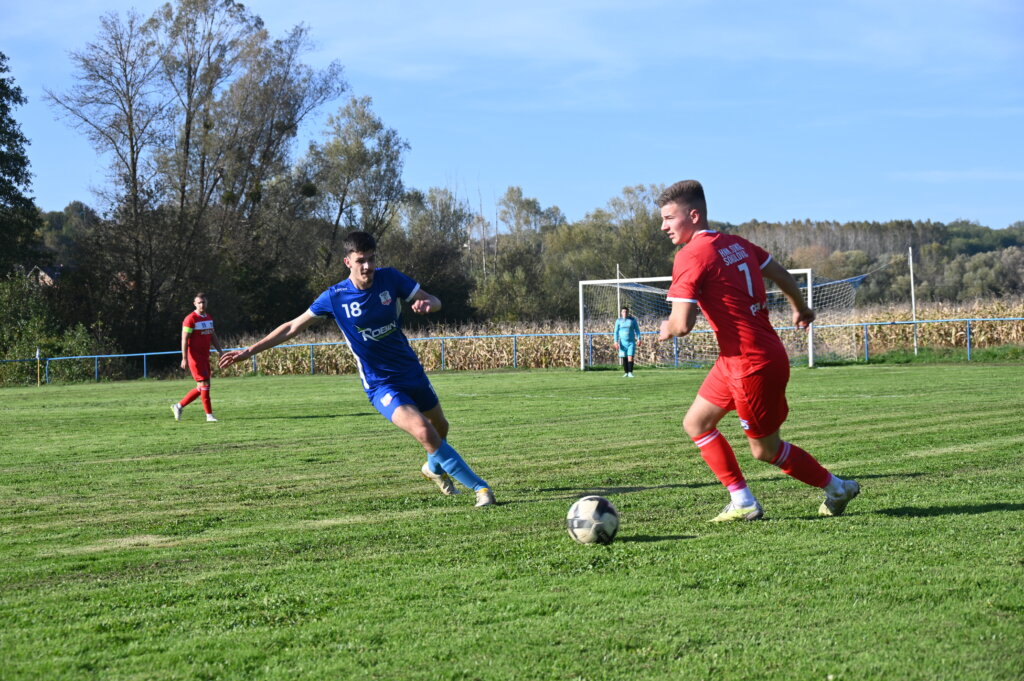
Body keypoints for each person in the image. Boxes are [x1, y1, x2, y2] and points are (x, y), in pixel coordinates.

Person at [218, 231, 495, 507]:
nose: (368, 266)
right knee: (424, 432)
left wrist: (428, 305)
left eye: (372, 259)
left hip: (411, 372)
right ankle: (481, 489)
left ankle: (433, 470)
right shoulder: (335, 297)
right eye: (361, 260)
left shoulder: (391, 278)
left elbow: (434, 300)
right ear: (347, 261)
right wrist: (249, 351)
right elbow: (292, 326)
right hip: (381, 384)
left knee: (440, 428)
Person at [655, 180, 859, 521]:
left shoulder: (690, 255)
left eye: (669, 218)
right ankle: (742, 500)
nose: (663, 227)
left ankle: (837, 487)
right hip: (740, 358)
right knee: (696, 423)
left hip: (750, 364)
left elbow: (682, 324)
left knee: (765, 450)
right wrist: (801, 307)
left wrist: (666, 328)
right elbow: (780, 273)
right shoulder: (736, 243)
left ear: (693, 215)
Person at [172, 292, 224, 423]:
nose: (202, 304)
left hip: (205, 356)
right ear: (194, 304)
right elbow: (184, 339)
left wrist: (220, 351)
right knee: (205, 383)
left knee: (203, 387)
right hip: (195, 357)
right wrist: (184, 358)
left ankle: (178, 406)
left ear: (207, 303)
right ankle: (209, 415)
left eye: (204, 302)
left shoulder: (208, 318)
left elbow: (212, 335)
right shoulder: (190, 319)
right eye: (199, 302)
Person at [614, 306, 641, 377]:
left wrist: (639, 338)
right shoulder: (618, 321)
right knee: (624, 357)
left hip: (631, 342)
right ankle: (626, 372)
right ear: (621, 313)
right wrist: (615, 341)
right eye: (623, 312)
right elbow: (616, 332)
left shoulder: (632, 320)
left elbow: (637, 330)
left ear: (628, 312)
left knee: (630, 357)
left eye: (626, 312)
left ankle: (630, 372)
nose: (625, 313)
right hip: (622, 343)